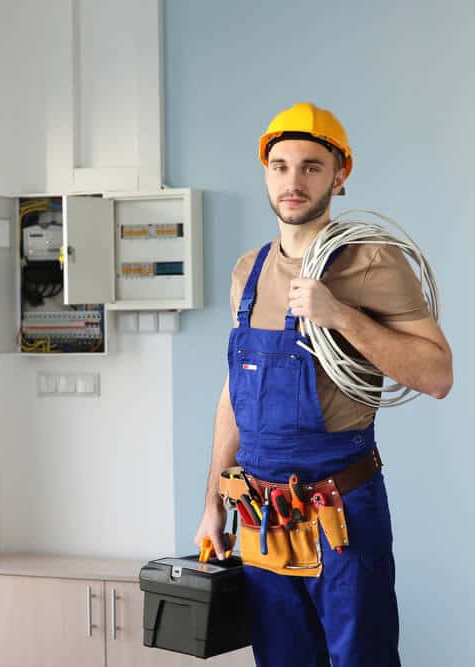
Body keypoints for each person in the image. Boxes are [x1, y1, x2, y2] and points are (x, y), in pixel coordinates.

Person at [194, 102, 453, 666]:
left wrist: (340, 316)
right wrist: (212, 504)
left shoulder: (372, 261)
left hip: (341, 514)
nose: (294, 181)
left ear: (340, 175)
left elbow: (436, 376)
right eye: (281, 165)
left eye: (312, 166)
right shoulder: (249, 271)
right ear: (265, 172)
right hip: (262, 517)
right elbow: (234, 397)